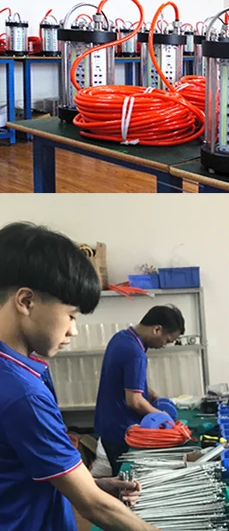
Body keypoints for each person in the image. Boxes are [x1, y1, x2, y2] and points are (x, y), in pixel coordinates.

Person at [0, 222, 156, 531]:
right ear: (26, 302)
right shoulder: (21, 393)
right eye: (71, 315)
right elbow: (94, 507)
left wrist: (91, 483)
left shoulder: (17, 373)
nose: (73, 330)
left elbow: (19, 470)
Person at [94, 305, 186, 475]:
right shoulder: (135, 353)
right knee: (128, 481)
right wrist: (163, 417)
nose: (164, 346)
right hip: (123, 430)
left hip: (109, 424)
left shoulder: (121, 338)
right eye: (167, 340)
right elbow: (135, 401)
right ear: (157, 329)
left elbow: (129, 382)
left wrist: (154, 396)